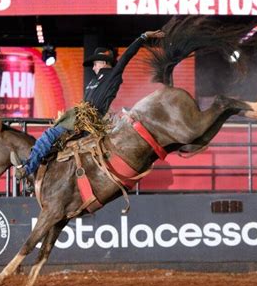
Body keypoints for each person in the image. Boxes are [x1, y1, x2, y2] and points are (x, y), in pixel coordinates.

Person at [13, 30, 165, 180]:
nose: (93, 67)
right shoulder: (93, 81)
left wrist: (142, 37)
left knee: (49, 135)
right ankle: (34, 175)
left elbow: (126, 56)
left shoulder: (112, 75)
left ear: (104, 62)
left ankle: (28, 168)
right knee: (54, 145)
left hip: (88, 123)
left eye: (95, 63)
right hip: (79, 120)